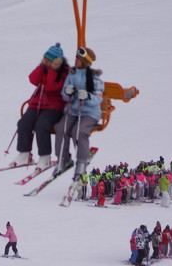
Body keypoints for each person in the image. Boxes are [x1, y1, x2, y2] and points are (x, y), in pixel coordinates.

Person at [10, 43, 68, 170]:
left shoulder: (63, 73)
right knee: (23, 123)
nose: (46, 61)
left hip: (54, 106)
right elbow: (33, 79)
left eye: (49, 60)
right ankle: (24, 154)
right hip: (38, 103)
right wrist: (42, 67)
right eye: (45, 58)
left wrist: (53, 70)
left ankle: (45, 157)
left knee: (42, 125)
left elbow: (51, 87)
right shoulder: (43, 68)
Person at [53, 46, 103, 179]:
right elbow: (64, 94)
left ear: (84, 61)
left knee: (78, 131)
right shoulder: (72, 74)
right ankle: (63, 159)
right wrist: (67, 92)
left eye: (78, 58)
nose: (75, 60)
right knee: (61, 128)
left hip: (89, 113)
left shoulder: (94, 77)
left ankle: (82, 161)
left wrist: (87, 96)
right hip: (73, 110)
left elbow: (98, 98)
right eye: (75, 57)